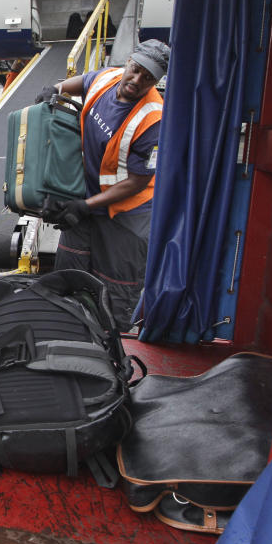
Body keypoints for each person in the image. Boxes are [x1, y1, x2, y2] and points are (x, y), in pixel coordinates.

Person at [39, 39, 170, 331]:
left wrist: (84, 206)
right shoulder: (107, 78)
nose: (136, 80)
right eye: (135, 70)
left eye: (147, 78)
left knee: (114, 288)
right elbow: (81, 81)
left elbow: (136, 183)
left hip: (125, 214)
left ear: (156, 82)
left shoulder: (154, 121)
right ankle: (66, 332)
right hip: (87, 197)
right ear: (129, 62)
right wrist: (56, 89)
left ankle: (110, 348)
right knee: (70, 271)